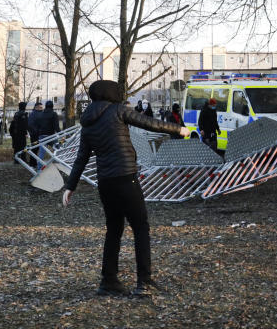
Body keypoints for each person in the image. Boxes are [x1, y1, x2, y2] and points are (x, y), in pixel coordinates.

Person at [62, 79, 189, 297]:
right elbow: (150, 123)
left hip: (105, 183)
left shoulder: (88, 122)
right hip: (125, 177)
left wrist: (70, 186)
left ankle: (108, 281)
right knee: (140, 227)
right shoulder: (118, 110)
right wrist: (179, 129)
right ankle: (144, 281)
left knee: (114, 230)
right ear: (111, 94)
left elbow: (81, 158)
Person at [34, 100, 61, 168]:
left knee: (42, 152)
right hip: (51, 135)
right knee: (57, 149)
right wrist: (60, 133)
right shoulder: (54, 114)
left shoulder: (41, 114)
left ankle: (39, 167)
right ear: (52, 106)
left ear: (45, 106)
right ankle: (59, 164)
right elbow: (56, 126)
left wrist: (38, 134)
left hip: (42, 135)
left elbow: (37, 125)